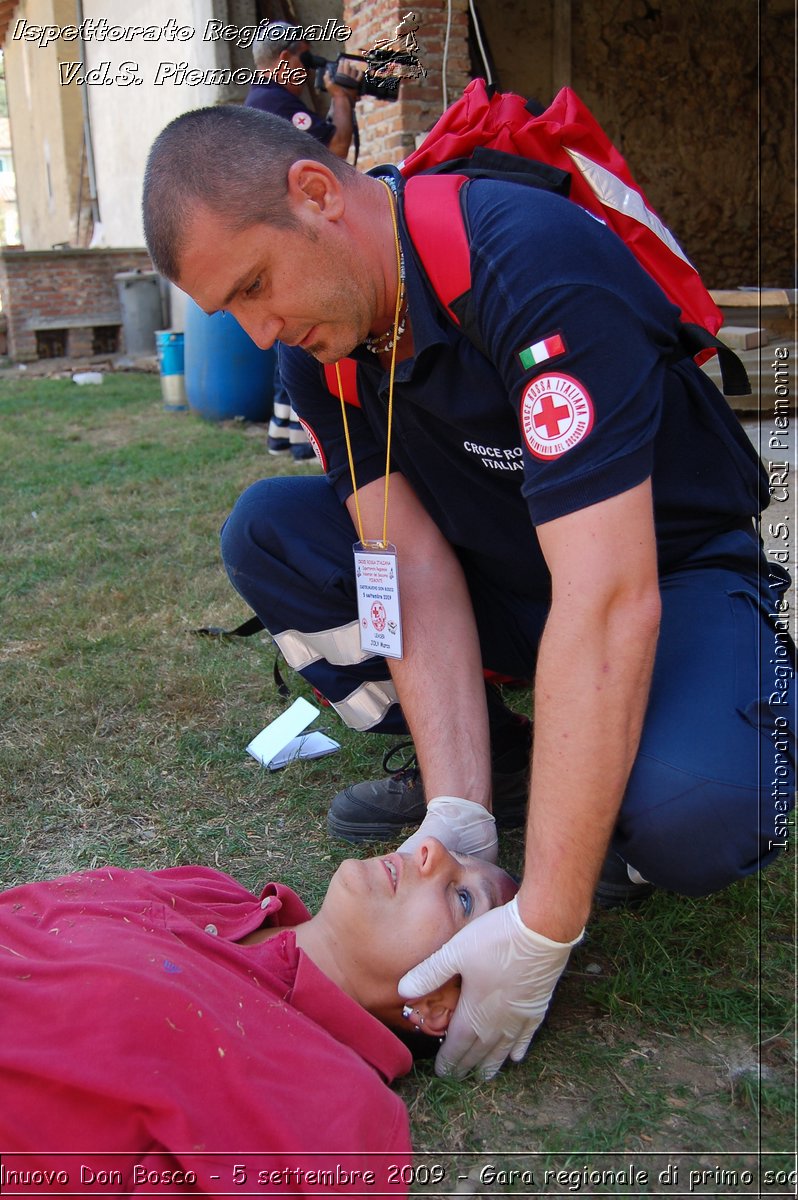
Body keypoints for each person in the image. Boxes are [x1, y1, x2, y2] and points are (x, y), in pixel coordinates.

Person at [141, 104, 796, 1083]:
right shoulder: (322, 348)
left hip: (663, 571)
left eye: (255, 287)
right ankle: (514, 763)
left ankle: (666, 759)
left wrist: (544, 923)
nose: (261, 329)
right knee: (273, 535)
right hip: (510, 577)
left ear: (316, 195)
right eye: (230, 312)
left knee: (701, 808)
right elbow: (402, 567)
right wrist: (459, 813)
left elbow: (611, 600)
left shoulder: (525, 261)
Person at [0, 839, 517, 1194]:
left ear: (435, 1008)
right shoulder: (208, 891)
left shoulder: (336, 1116)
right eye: (459, 853)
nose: (432, 850)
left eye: (463, 897)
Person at [245, 22, 362, 459]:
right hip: (288, 239)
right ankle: (303, 439)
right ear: (284, 61)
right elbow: (338, 148)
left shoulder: (256, 103)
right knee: (304, 330)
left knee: (287, 331)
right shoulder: (277, 104)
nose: (306, 71)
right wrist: (340, 96)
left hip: (269, 238)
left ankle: (283, 434)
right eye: (303, 60)